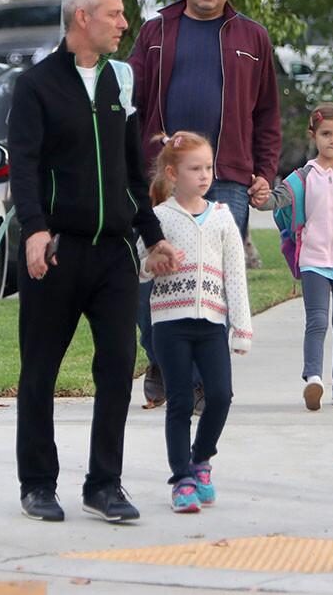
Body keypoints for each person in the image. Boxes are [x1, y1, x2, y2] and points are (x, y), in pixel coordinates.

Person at [8, 0, 182, 524]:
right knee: (39, 370)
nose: (123, 24)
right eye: (114, 14)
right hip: (57, 250)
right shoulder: (36, 86)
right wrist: (35, 229)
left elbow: (133, 173)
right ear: (82, 17)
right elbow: (24, 166)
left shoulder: (121, 83)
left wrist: (152, 235)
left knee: (117, 367)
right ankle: (38, 483)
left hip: (113, 255)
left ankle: (104, 484)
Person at [129, 0, 281, 408]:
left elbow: (268, 114)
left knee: (209, 284)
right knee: (148, 275)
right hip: (162, 179)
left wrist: (264, 174)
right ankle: (159, 357)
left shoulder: (252, 37)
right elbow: (128, 101)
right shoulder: (155, 32)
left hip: (228, 180)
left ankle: (195, 384)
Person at [143, 131, 252, 514]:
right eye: (195, 168)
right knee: (180, 400)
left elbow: (235, 275)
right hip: (170, 323)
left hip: (212, 324)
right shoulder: (158, 218)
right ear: (173, 174)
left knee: (220, 396)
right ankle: (182, 480)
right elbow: (139, 269)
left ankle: (201, 459)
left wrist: (241, 327)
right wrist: (151, 264)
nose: (205, 175)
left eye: (208, 167)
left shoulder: (222, 218)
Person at [258, 102, 333, 410]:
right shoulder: (301, 178)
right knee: (316, 320)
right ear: (313, 135)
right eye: (326, 133)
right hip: (313, 259)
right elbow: (275, 202)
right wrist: (259, 196)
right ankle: (313, 378)